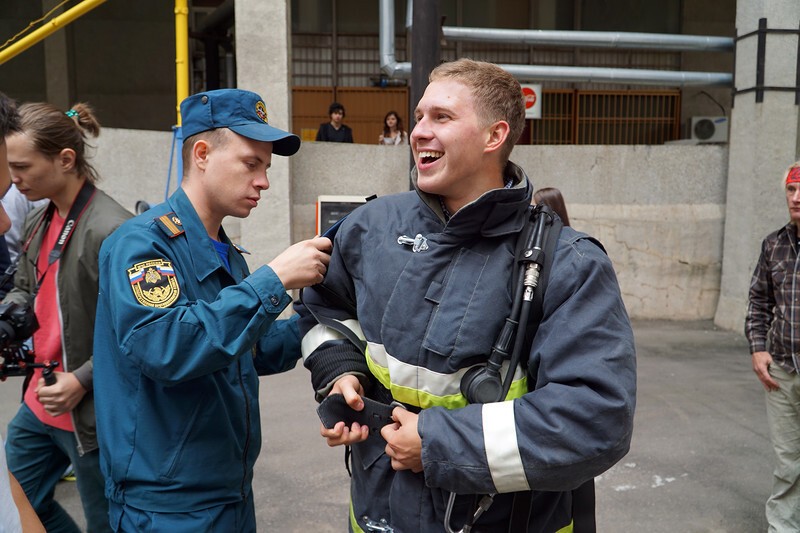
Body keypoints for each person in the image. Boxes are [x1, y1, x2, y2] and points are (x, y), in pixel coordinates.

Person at [297, 58, 636, 532]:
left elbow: (595, 419)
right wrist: (341, 373)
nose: (419, 131)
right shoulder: (369, 229)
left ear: (493, 137)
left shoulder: (570, 263)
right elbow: (322, 309)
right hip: (379, 511)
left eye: (442, 117)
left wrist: (438, 443)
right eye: (418, 117)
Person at [93, 88, 332, 532]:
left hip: (228, 491)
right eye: (250, 163)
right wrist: (273, 280)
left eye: (266, 167)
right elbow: (168, 346)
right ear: (202, 153)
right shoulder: (143, 244)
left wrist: (316, 319)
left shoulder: (223, 251)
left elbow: (242, 352)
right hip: (167, 505)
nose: (263, 181)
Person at [3, 101, 133, 533]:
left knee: (106, 523)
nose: (13, 179)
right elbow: (25, 286)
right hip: (40, 401)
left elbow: (136, 332)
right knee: (16, 504)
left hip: (91, 412)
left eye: (22, 167)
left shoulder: (112, 229)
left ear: (65, 159)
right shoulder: (41, 217)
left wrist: (82, 380)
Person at [745, 161, 800, 532]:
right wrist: (758, 347)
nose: (796, 197)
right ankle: (783, 527)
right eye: (791, 190)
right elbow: (759, 302)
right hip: (783, 368)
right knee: (788, 461)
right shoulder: (774, 244)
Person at [0, 91, 45, 533]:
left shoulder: (104, 228)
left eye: (21, 170)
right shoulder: (34, 223)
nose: (5, 223)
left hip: (72, 400)